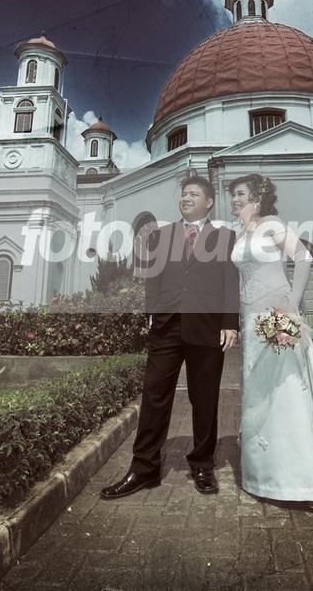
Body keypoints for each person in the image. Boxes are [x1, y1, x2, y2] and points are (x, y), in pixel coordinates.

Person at [101, 175, 239, 499]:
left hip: (206, 327)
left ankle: (202, 464)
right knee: (154, 396)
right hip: (166, 326)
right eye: (183, 194)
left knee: (204, 398)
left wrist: (230, 323)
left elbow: (231, 282)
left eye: (194, 194)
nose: (186, 198)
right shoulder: (161, 236)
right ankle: (144, 468)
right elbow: (153, 278)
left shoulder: (225, 237)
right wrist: (153, 313)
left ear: (208, 202)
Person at [229, 173, 313, 510]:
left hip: (276, 316)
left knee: (286, 393)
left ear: (257, 197)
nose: (235, 199)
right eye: (233, 194)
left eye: (240, 193)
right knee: (258, 391)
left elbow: (303, 257)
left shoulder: (272, 224)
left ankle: (305, 484)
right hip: (250, 322)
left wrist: (292, 306)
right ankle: (263, 477)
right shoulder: (240, 235)